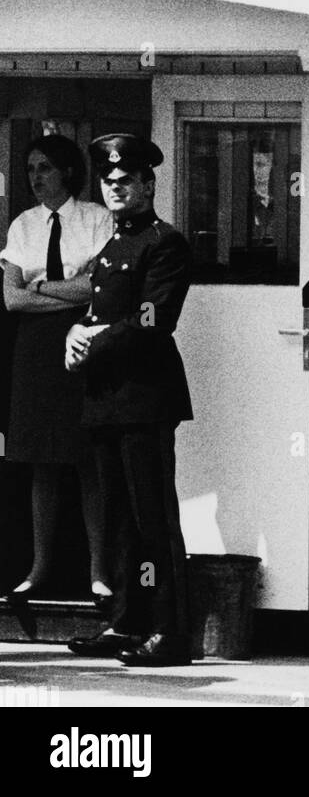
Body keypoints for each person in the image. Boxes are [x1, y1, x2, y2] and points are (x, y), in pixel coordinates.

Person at [65, 134, 194, 668]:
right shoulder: (115, 242)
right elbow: (97, 309)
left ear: (147, 185)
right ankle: (126, 622)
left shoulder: (164, 243)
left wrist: (92, 340)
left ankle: (169, 630)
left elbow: (151, 319)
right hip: (106, 399)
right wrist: (74, 329)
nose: (116, 189)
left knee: (152, 518)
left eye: (126, 181)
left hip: (144, 398)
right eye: (108, 182)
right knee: (117, 516)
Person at [0, 135, 115, 604]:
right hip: (34, 352)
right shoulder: (24, 225)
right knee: (41, 463)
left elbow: (100, 290)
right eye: (30, 168)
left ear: (68, 171)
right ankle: (39, 569)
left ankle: (99, 572)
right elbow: (11, 298)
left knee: (89, 460)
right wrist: (64, 290)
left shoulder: (96, 219)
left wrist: (42, 287)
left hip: (83, 342)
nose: (35, 176)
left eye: (45, 167)